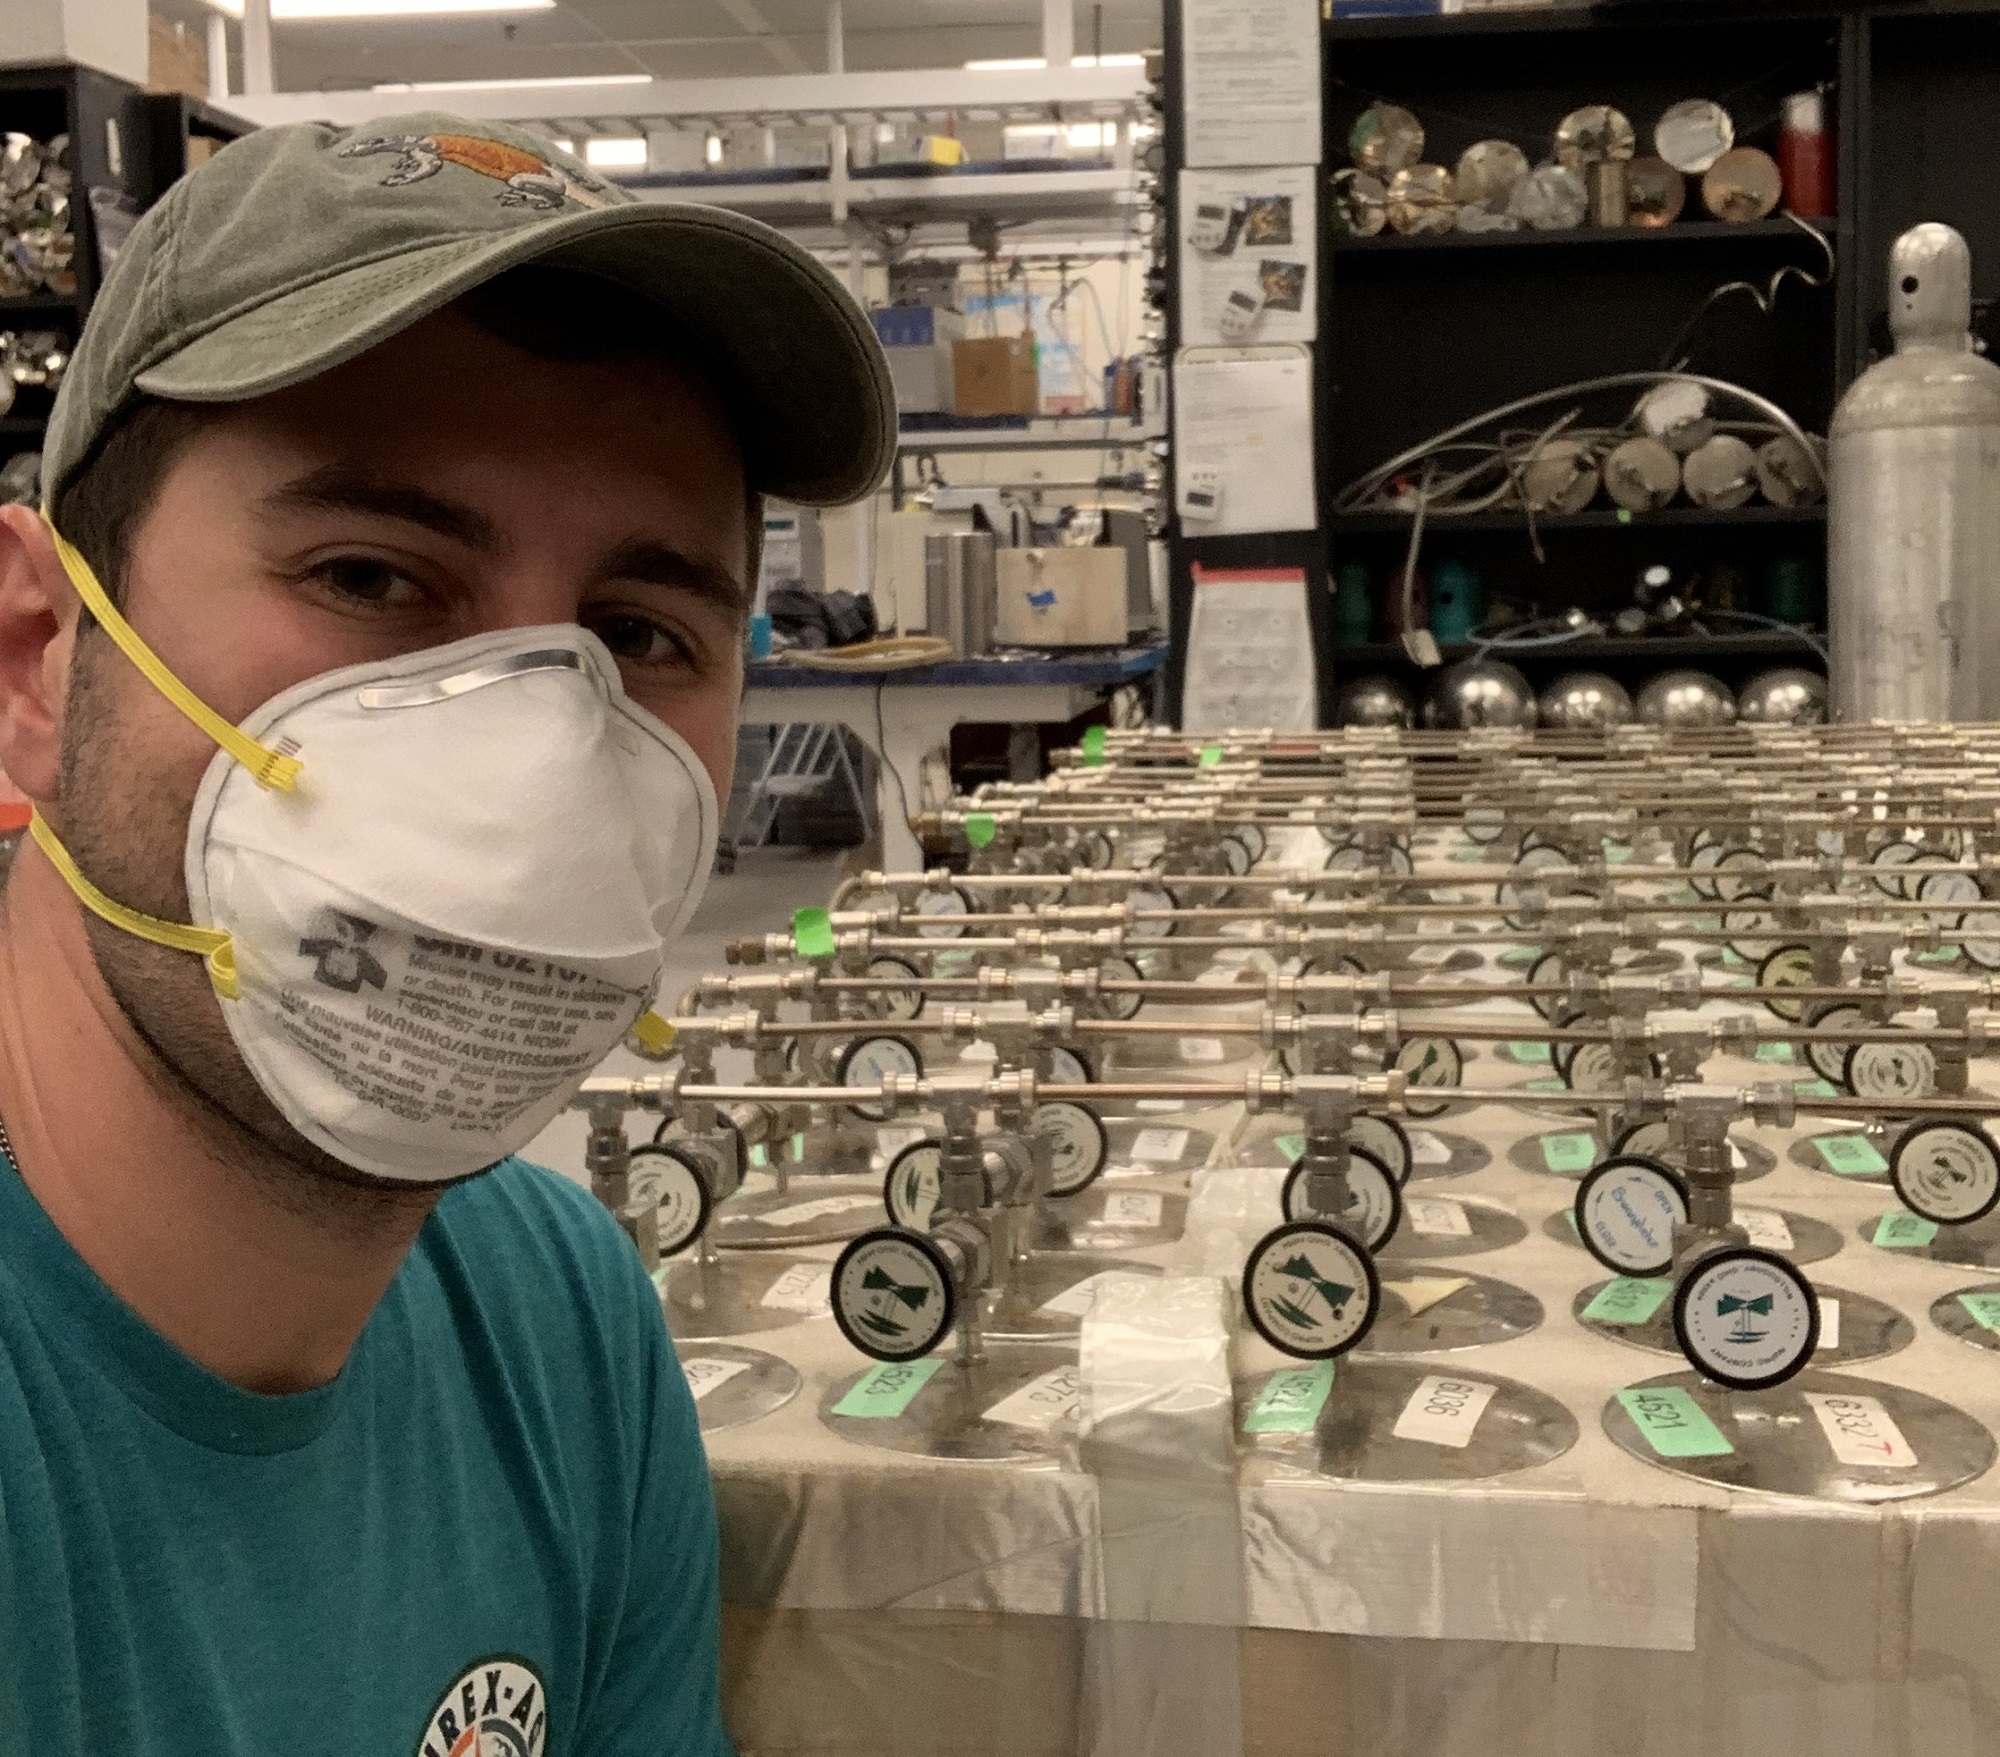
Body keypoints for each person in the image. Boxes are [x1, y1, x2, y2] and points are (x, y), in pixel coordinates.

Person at [0, 113, 892, 1753]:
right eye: (369, 574)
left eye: (636, 633)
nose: (533, 752)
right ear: (35, 655)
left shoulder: (559, 1326)